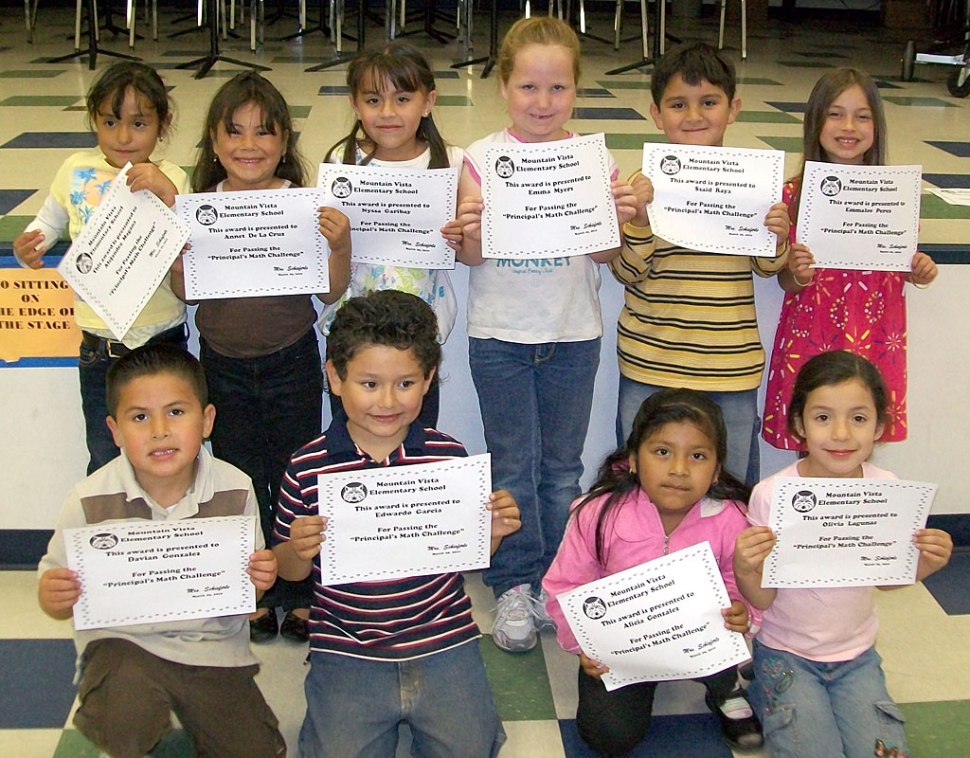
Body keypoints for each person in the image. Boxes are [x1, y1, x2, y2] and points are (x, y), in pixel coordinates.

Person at [272, 290, 521, 758]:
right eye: (369, 384)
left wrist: (491, 533)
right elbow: (288, 571)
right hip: (347, 644)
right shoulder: (307, 468)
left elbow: (469, 555)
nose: (387, 401)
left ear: (427, 381)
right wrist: (298, 549)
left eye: (405, 384)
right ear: (335, 378)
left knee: (470, 748)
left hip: (441, 634)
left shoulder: (447, 457)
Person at [456, 16, 638, 653]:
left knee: (561, 470)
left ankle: (559, 583)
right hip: (500, 335)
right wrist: (468, 234)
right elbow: (473, 259)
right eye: (529, 87)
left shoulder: (594, 159)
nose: (543, 102)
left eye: (557, 88)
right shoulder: (479, 158)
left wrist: (617, 219)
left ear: (576, 92)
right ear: (503, 86)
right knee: (512, 465)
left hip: (572, 335)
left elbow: (604, 258)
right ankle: (513, 583)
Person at [170, 71, 352, 644]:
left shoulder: (304, 205)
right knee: (241, 479)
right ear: (214, 143)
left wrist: (340, 242)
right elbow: (186, 293)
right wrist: (179, 253)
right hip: (221, 365)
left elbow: (330, 290)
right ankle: (253, 588)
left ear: (284, 142)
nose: (249, 145)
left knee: (298, 478)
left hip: (292, 360)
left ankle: (301, 591)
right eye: (235, 132)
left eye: (264, 133)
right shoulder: (201, 207)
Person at [37, 343, 286, 758]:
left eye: (176, 411)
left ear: (206, 420)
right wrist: (54, 596)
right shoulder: (87, 498)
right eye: (139, 417)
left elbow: (244, 596)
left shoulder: (235, 486)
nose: (159, 430)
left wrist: (258, 583)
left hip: (211, 649)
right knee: (125, 718)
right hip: (123, 645)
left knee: (254, 750)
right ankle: (133, 719)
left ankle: (182, 712)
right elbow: (54, 588)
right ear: (115, 431)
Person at [735, 350, 952, 758]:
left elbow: (888, 579)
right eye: (822, 417)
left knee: (884, 753)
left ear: (879, 427)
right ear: (799, 424)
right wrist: (745, 568)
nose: (840, 434)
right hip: (786, 654)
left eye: (858, 418)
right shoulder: (772, 495)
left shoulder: (886, 486)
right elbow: (762, 598)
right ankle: (762, 685)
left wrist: (924, 563)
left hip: (858, 656)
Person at [610, 42, 791, 488]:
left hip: (729, 368)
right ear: (656, 114)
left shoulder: (753, 184)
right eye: (678, 104)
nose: (694, 116)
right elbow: (627, 272)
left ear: (734, 109)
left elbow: (769, 269)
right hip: (650, 365)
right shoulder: (643, 186)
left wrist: (778, 233)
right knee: (642, 489)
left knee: (728, 491)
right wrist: (640, 222)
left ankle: (728, 563)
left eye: (709, 102)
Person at [543, 388, 763, 754]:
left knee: (730, 640)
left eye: (697, 456)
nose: (678, 469)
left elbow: (736, 579)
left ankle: (727, 686)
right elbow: (565, 586)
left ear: (716, 470)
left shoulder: (731, 518)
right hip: (626, 649)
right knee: (608, 736)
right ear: (632, 459)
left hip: (699, 640)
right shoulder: (596, 514)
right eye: (662, 452)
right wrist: (585, 643)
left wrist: (740, 608)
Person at [13, 61, 190, 476]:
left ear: (161, 126)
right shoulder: (75, 170)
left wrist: (168, 195)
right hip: (97, 347)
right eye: (110, 122)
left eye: (139, 123)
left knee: (171, 456)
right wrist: (28, 249)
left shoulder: (174, 176)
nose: (123, 136)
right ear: (94, 120)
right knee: (106, 455)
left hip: (161, 340)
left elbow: (190, 244)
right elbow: (48, 224)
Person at [761, 68, 938, 451]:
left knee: (858, 430)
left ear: (877, 125)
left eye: (862, 116)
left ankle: (849, 510)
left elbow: (904, 264)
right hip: (813, 334)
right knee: (817, 425)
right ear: (815, 122)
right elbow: (785, 281)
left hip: (875, 334)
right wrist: (797, 273)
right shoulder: (792, 195)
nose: (849, 126)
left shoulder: (896, 195)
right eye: (836, 113)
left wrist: (918, 270)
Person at [320, 40, 464, 427]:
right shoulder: (342, 161)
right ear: (354, 103)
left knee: (415, 444)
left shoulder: (451, 160)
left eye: (402, 99)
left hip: (419, 334)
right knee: (352, 444)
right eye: (372, 100)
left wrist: (463, 234)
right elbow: (329, 253)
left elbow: (469, 250)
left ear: (428, 101)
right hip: (354, 332)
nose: (387, 113)